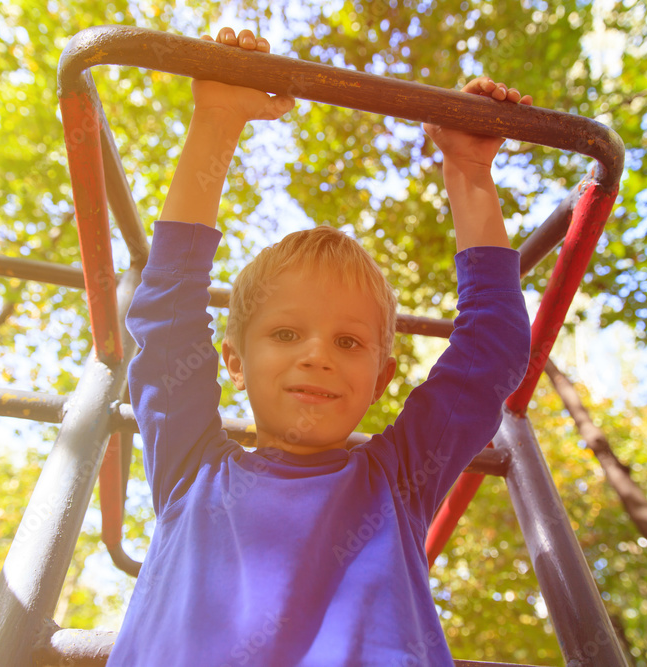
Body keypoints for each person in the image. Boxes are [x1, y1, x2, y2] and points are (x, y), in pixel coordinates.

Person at [108, 26, 532, 667]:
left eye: (348, 341)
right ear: (233, 363)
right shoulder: (192, 469)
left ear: (382, 377)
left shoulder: (399, 480)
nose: (318, 355)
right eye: (285, 333)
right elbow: (167, 316)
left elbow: (491, 350)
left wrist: (468, 173)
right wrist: (217, 120)